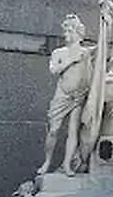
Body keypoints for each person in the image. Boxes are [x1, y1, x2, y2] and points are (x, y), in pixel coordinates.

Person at [38, 15, 94, 176]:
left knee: (73, 130)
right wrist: (70, 60)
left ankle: (67, 164)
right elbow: (54, 70)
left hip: (78, 96)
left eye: (70, 30)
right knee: (53, 130)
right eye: (66, 30)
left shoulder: (86, 53)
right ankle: (47, 161)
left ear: (78, 33)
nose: (66, 34)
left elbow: (102, 49)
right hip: (62, 94)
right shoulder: (59, 52)